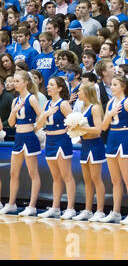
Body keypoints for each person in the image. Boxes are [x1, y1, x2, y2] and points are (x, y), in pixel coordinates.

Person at [0, 71, 42, 216]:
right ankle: (11, 204)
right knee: (13, 173)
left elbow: (42, 116)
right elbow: (11, 123)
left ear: (26, 83)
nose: (14, 84)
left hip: (29, 138)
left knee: (33, 173)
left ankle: (32, 206)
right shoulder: (15, 100)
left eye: (17, 81)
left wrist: (34, 128)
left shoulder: (32, 99)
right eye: (14, 81)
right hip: (18, 138)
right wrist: (14, 111)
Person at [35, 77, 76, 219]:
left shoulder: (63, 104)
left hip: (61, 141)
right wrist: (45, 114)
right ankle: (55, 207)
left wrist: (65, 132)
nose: (48, 87)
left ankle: (70, 208)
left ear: (59, 88)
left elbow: (74, 122)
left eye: (52, 84)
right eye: (48, 84)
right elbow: (38, 126)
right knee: (56, 177)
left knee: (67, 176)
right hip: (49, 140)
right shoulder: (47, 103)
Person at [100, 75, 128, 224]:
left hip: (124, 137)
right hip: (111, 138)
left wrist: (127, 133)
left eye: (115, 84)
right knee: (115, 180)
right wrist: (109, 115)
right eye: (112, 84)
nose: (111, 86)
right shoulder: (110, 102)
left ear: (123, 87)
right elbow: (103, 127)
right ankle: (116, 212)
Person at [70, 82, 106, 222]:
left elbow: (98, 129)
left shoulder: (95, 107)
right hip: (85, 144)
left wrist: (80, 127)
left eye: (80, 91)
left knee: (96, 179)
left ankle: (100, 210)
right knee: (87, 180)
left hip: (95, 145)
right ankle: (88, 209)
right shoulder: (83, 107)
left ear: (88, 92)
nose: (77, 93)